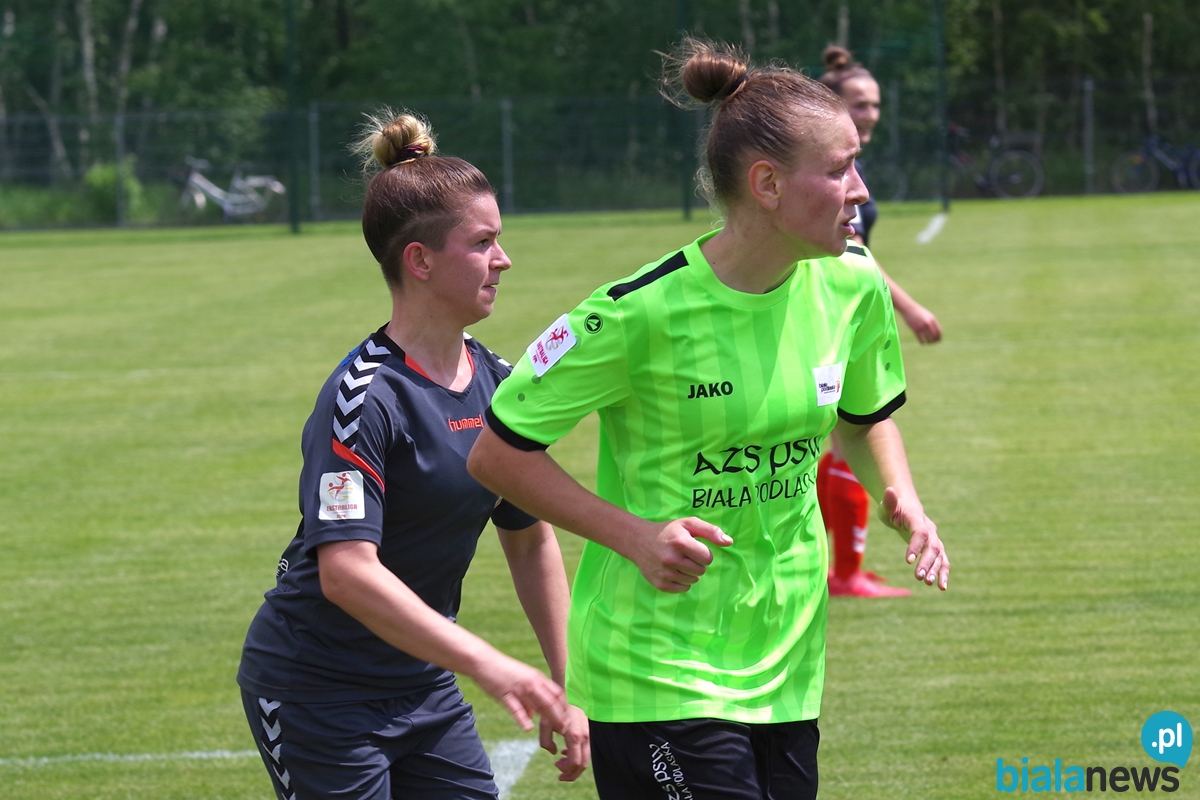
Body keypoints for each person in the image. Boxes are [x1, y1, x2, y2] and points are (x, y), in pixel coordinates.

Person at [467, 40, 950, 800]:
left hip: (788, 663)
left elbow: (862, 419)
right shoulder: (637, 313)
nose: (859, 189)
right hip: (654, 668)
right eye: (839, 169)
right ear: (767, 184)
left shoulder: (853, 286)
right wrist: (634, 536)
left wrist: (904, 498)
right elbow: (496, 456)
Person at [236, 110, 588, 800]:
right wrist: (490, 663)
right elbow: (346, 572)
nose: (503, 259)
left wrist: (568, 682)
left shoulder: (499, 383)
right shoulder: (364, 398)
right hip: (316, 692)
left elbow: (528, 537)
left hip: (423, 686)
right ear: (420, 261)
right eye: (482, 242)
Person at [817, 45, 943, 598]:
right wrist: (910, 308)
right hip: (829, 313)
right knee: (850, 435)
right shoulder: (833, 173)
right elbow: (855, 256)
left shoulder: (846, 168)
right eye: (859, 104)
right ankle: (845, 572)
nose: (870, 114)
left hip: (834, 309)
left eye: (874, 104)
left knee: (836, 441)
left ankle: (841, 567)